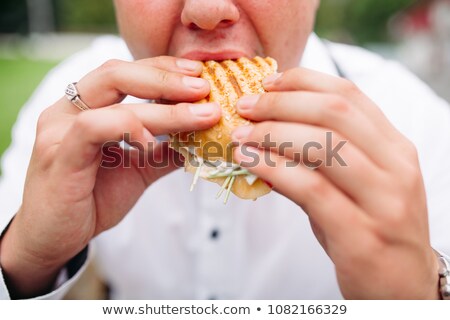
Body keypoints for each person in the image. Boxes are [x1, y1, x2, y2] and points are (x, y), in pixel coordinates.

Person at [1, 0, 450, 300]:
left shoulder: (417, 126)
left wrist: (421, 295)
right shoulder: (72, 108)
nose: (207, 10)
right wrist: (28, 261)